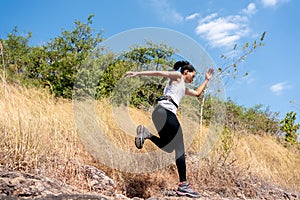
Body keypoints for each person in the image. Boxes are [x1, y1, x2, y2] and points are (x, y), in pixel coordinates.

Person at [124, 61, 214, 198]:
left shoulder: (183, 88)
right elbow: (159, 73)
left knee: (168, 147)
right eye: (193, 76)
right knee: (180, 150)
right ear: (186, 72)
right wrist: (137, 73)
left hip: (158, 114)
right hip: (167, 113)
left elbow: (197, 93)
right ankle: (183, 184)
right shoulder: (177, 76)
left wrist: (207, 79)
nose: (193, 79)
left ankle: (147, 134)